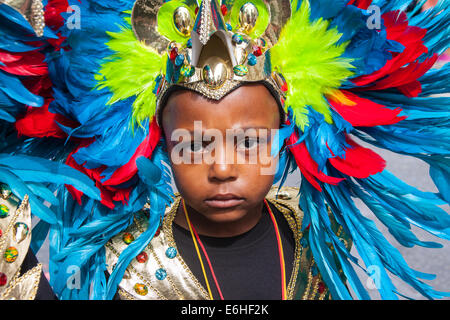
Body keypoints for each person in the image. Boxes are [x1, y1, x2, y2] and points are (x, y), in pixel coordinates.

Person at [0, 0, 449, 300]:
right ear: (162, 145)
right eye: (193, 144)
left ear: (283, 136)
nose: (221, 167)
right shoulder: (122, 254)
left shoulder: (320, 233)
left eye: (250, 142)